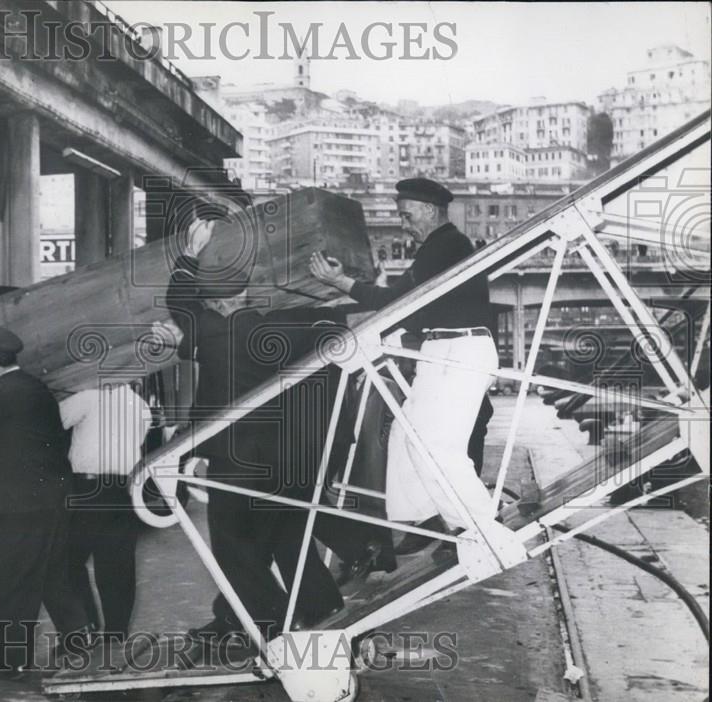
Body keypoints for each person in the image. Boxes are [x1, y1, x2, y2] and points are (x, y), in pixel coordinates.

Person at [164, 217, 348, 643]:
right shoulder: (280, 331)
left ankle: (273, 622)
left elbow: (180, 303)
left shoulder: (212, 337)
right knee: (288, 538)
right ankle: (320, 606)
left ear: (218, 305)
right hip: (288, 462)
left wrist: (190, 253)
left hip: (239, 466)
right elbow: (332, 328)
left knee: (233, 550)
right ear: (243, 295)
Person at [310, 177, 499, 556]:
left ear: (429, 211)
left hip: (460, 351)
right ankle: (426, 518)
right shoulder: (435, 249)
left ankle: (482, 531)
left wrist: (341, 282)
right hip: (441, 350)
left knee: (439, 447)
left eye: (406, 215)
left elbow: (399, 301)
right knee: (405, 433)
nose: (403, 223)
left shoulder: (446, 247)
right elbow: (414, 310)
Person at [0, 324, 92, 680]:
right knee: (52, 576)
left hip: (21, 505)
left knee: (13, 582)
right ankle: (79, 642)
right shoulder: (37, 388)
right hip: (54, 498)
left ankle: (11, 661)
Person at [61, 383, 151, 641]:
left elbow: (53, 421)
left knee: (67, 560)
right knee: (118, 563)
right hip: (125, 490)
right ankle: (116, 631)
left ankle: (84, 627)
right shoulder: (140, 405)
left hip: (88, 489)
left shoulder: (86, 397)